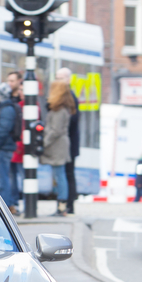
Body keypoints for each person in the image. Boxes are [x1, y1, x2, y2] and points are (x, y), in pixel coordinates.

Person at [42, 80, 76, 216]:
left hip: (57, 146)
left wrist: (44, 143)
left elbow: (55, 130)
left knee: (60, 175)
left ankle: (62, 206)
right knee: (58, 175)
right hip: (58, 145)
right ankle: (61, 205)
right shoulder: (61, 109)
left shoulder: (60, 110)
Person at [0, 83, 21, 215]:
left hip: (1, 149)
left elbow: (3, 130)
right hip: (2, 148)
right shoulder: (5, 108)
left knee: (2, 179)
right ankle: (2, 206)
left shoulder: (6, 110)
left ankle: (5, 207)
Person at [55, 68, 81, 213]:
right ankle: (64, 205)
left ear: (68, 80)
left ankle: (68, 206)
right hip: (65, 142)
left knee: (67, 173)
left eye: (62, 78)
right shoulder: (62, 96)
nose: (59, 81)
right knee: (62, 174)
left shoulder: (70, 97)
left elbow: (72, 121)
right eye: (57, 78)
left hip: (68, 143)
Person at [7, 72, 24, 210]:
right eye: (9, 81)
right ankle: (13, 202)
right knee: (11, 177)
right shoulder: (9, 99)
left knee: (22, 176)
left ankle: (21, 202)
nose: (10, 84)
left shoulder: (25, 104)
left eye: (12, 81)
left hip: (20, 147)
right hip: (12, 146)